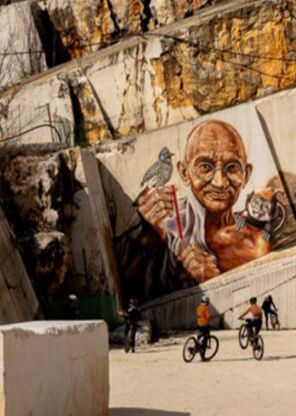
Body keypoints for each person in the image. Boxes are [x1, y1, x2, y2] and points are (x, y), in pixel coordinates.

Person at [116, 120, 276, 301]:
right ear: (184, 173)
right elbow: (122, 290)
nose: (219, 182)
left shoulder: (255, 244)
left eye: (232, 168)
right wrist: (138, 238)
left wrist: (215, 285)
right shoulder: (160, 225)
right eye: (205, 167)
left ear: (245, 175)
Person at [197, 295, 212, 360]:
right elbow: (208, 316)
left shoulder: (199, 307)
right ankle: (202, 357)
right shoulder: (206, 308)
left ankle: (196, 346)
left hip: (198, 324)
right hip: (205, 325)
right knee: (205, 340)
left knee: (200, 337)